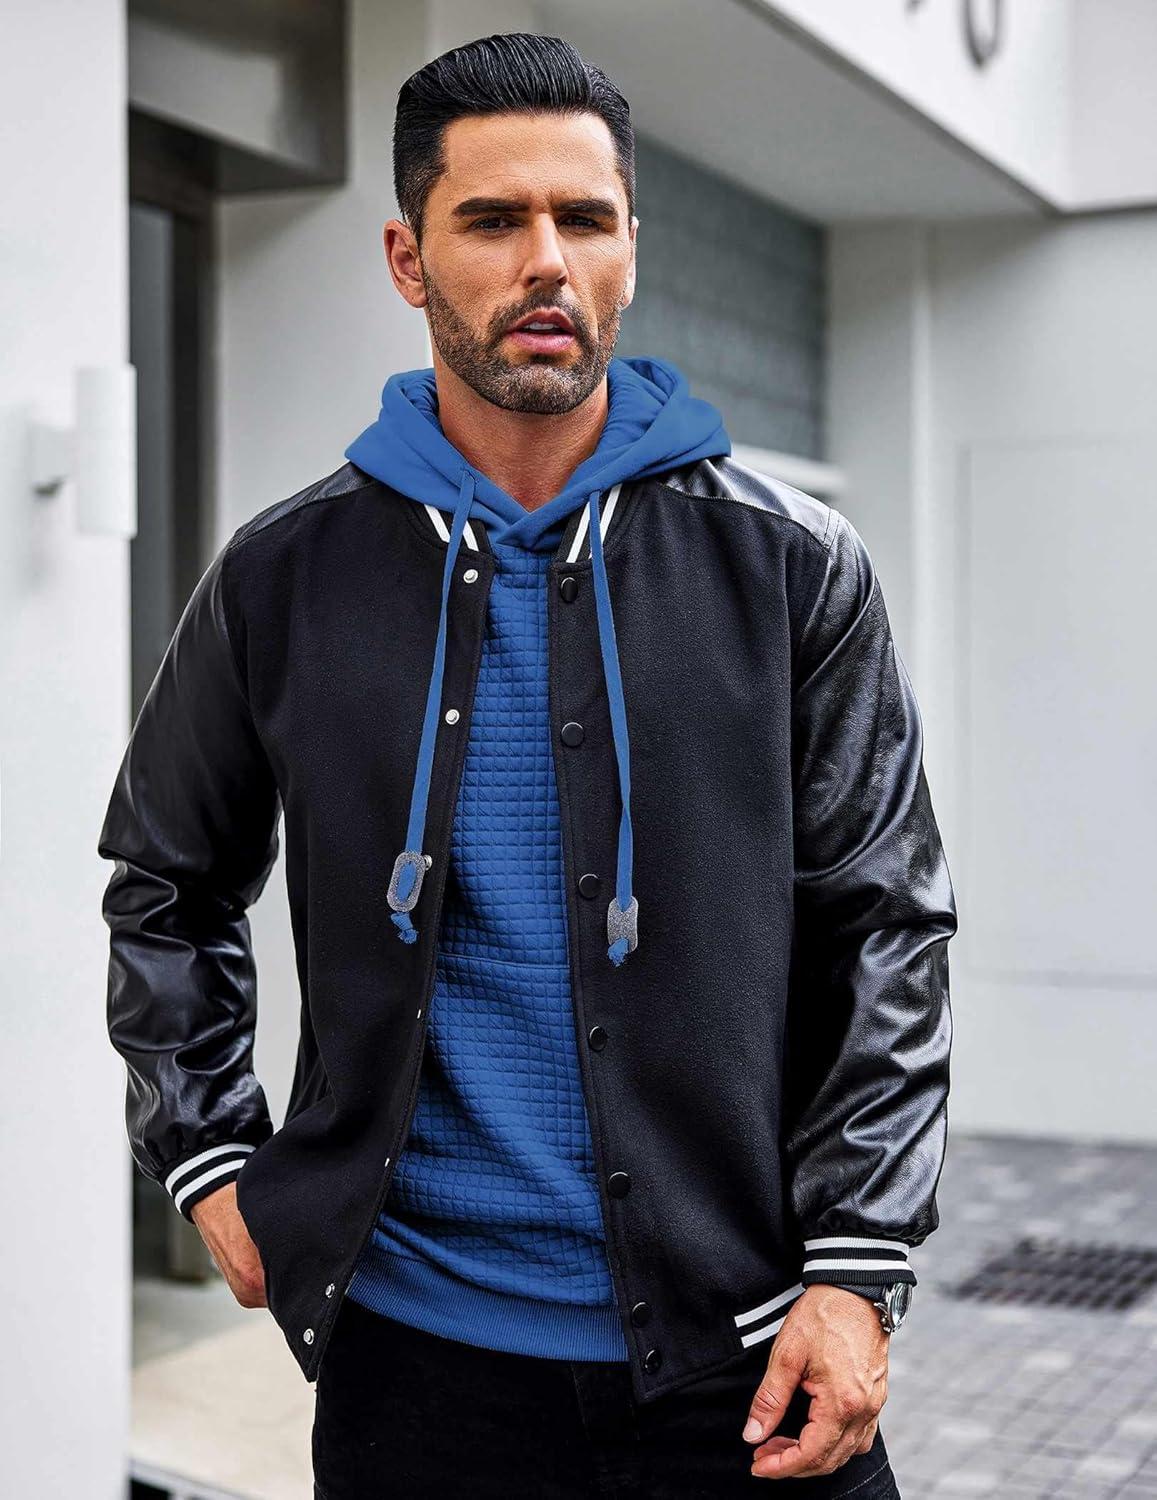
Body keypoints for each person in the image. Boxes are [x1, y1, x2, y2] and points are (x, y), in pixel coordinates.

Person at [98, 31, 956, 1499]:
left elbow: (885, 923)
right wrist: (207, 1154)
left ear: (630, 249)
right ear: (407, 258)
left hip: (743, 1355)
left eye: (584, 218)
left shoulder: (789, 565)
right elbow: (165, 881)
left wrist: (859, 1264)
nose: (545, 261)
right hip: (413, 1367)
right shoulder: (283, 574)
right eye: (492, 220)